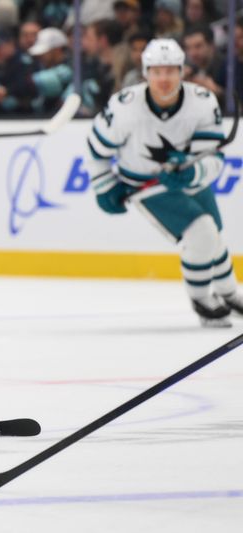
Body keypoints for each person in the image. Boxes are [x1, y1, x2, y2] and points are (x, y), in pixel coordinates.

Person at [86, 39, 243, 328]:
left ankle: (229, 293)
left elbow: (214, 159)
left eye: (171, 71)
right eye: (157, 71)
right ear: (145, 72)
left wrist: (191, 174)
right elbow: (97, 150)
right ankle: (202, 302)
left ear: (182, 71)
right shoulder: (124, 108)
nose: (164, 79)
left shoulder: (202, 102)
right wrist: (105, 185)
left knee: (214, 237)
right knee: (202, 232)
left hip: (188, 180)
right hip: (146, 186)